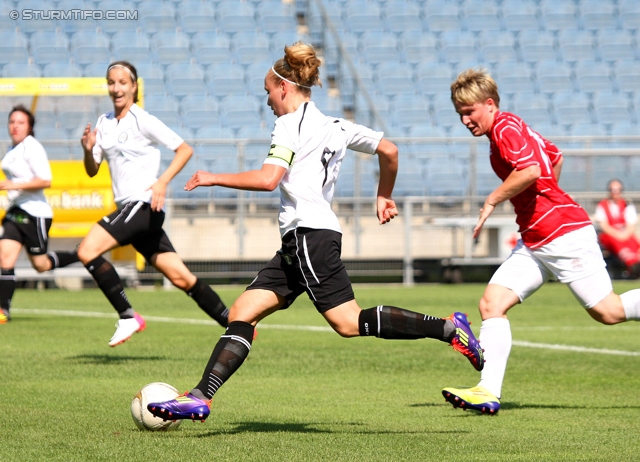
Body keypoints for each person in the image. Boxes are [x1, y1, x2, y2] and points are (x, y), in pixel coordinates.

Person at [145, 43, 484, 422]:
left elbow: (269, 179)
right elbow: (389, 150)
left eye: (268, 91)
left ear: (284, 88)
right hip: (302, 241)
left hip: (309, 235)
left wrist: (214, 177)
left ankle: (450, 331)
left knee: (348, 322)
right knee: (242, 312)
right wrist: (383, 194)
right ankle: (199, 397)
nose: (268, 100)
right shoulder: (336, 125)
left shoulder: (289, 124)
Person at [440, 68, 640, 415]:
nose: (465, 120)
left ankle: (487, 389)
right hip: (537, 239)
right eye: (460, 114)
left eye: (469, 112)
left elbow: (532, 169)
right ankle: (486, 392)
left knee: (609, 312)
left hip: (563, 234)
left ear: (489, 104)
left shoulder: (504, 127)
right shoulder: (511, 127)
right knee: (491, 305)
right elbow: (554, 156)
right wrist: (540, 205)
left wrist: (493, 200)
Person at [78, 61, 228, 347]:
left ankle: (127, 316)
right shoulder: (103, 122)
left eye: (123, 82)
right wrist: (87, 151)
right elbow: (92, 169)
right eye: (111, 82)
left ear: (134, 86)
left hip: (142, 206)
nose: (116, 88)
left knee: (86, 250)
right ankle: (236, 324)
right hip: (132, 211)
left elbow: (184, 149)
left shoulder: (142, 119)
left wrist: (162, 181)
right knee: (182, 278)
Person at [0, 105, 80, 324]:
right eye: (12, 122)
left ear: (30, 127)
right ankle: (2, 310)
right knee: (4, 257)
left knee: (41, 265)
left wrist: (12, 185)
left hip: (35, 215)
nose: (15, 126)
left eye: (20, 122)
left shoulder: (32, 147)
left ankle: (80, 254)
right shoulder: (12, 149)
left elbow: (45, 180)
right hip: (16, 212)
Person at [594, 179, 640, 278]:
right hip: (609, 236)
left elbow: (631, 225)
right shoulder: (602, 205)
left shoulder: (627, 204)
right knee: (618, 244)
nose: (615, 192)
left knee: (634, 244)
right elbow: (604, 226)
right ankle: (632, 265)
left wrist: (624, 235)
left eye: (618, 190)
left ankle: (636, 263)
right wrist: (618, 235)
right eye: (613, 190)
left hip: (625, 234)